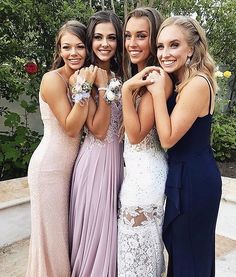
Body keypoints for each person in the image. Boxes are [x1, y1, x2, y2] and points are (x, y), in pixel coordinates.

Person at [146, 16, 222, 277]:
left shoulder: (198, 84)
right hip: (185, 174)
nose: (164, 54)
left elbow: (167, 139)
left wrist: (157, 93)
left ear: (191, 48)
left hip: (194, 180)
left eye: (174, 45)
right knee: (183, 253)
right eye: (160, 46)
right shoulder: (183, 82)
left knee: (190, 256)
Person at [26, 20, 97, 277]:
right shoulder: (52, 79)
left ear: (88, 49)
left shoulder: (80, 77)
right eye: (66, 47)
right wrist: (85, 87)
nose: (73, 53)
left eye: (79, 46)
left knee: (67, 235)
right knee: (52, 239)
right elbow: (70, 127)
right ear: (59, 50)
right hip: (49, 169)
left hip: (71, 167)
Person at [117, 7, 172, 276]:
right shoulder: (142, 77)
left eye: (141, 36)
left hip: (146, 177)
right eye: (128, 35)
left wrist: (126, 90)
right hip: (135, 175)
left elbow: (137, 134)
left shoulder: (156, 78)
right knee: (133, 254)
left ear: (153, 40)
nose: (131, 43)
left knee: (138, 256)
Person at [69, 11, 123, 277]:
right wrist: (102, 88)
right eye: (99, 37)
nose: (105, 44)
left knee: (112, 236)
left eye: (111, 37)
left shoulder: (121, 73)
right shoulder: (82, 78)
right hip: (94, 165)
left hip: (118, 164)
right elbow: (99, 130)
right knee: (97, 234)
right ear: (90, 41)